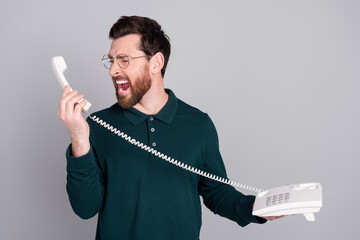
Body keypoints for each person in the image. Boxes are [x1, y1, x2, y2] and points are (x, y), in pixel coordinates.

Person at [58, 15, 283, 240]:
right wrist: (79, 138)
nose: (113, 71)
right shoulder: (98, 126)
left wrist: (256, 208)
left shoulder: (198, 124)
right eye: (111, 60)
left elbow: (217, 193)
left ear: (156, 63)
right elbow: (85, 208)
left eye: (123, 60)